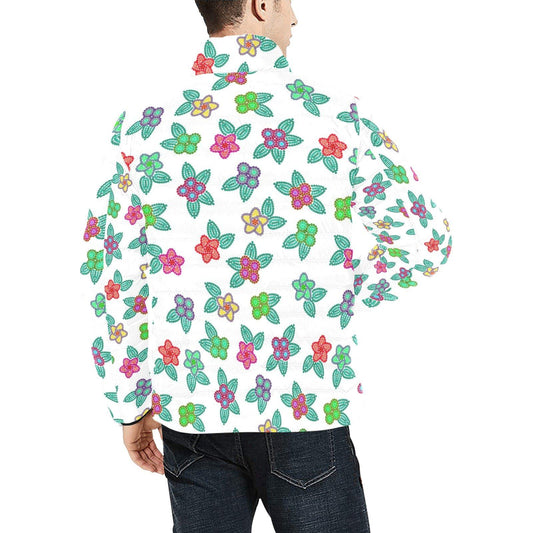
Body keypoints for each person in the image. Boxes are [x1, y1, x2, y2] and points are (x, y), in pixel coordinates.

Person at [80, 0, 453, 531]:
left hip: (193, 412)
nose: (296, 18)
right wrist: (332, 295)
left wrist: (130, 404)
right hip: (305, 407)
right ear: (260, 5)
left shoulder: (144, 127)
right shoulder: (337, 118)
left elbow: (111, 276)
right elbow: (425, 240)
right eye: (289, 2)